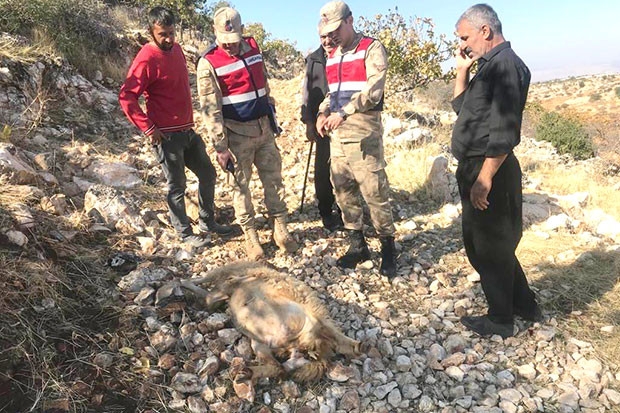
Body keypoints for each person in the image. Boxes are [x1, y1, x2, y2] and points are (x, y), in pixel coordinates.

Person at [451, 4, 541, 338]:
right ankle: (525, 305)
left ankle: (501, 320)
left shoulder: (505, 67)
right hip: (476, 164)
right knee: (490, 244)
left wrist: (484, 179)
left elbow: (505, 132)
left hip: (491, 167)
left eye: (465, 37)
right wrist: (463, 70)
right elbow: (464, 111)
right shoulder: (488, 67)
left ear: (485, 31)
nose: (463, 45)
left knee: (488, 247)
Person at [119, 6, 232, 248]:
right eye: (163, 35)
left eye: (171, 33)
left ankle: (207, 222)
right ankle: (184, 233)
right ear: (151, 32)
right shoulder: (146, 58)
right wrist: (149, 128)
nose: (169, 39)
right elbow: (127, 96)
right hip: (166, 136)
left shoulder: (178, 49)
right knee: (177, 186)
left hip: (187, 130)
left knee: (208, 174)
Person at [197, 6, 298, 260]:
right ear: (215, 32)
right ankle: (251, 236)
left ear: (242, 31)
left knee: (274, 179)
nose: (230, 46)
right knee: (240, 187)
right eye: (225, 41)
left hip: (264, 128)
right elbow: (211, 110)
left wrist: (271, 110)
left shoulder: (253, 46)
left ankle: (280, 228)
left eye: (235, 40)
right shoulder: (208, 62)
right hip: (236, 135)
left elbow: (263, 82)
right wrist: (221, 147)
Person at [315, 1, 397, 278]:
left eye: (336, 28)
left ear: (350, 21)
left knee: (374, 191)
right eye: (328, 31)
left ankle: (388, 248)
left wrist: (344, 112)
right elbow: (333, 93)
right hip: (338, 134)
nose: (332, 35)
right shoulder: (333, 54)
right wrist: (322, 112)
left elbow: (374, 91)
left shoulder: (371, 48)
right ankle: (357, 245)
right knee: (343, 190)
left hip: (363, 131)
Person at [300, 21, 344, 232]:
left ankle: (347, 211)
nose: (327, 41)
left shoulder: (348, 55)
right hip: (322, 123)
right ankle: (326, 211)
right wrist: (308, 120)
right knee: (322, 168)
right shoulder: (314, 59)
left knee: (346, 169)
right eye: (322, 37)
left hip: (346, 120)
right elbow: (308, 92)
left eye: (331, 35)